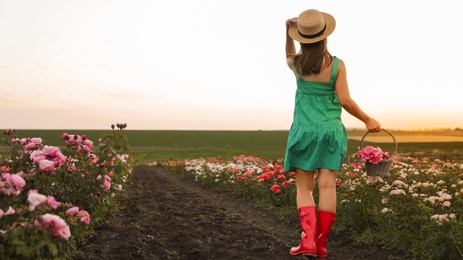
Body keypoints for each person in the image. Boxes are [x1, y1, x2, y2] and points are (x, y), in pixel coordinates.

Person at [284, 9, 382, 259]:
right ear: (325, 37)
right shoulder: (337, 65)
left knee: (304, 188)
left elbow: (288, 54)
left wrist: (287, 34)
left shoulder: (296, 64)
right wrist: (367, 119)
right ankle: (321, 244)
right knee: (328, 186)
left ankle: (307, 241)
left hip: (304, 132)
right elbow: (346, 101)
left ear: (303, 39)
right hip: (330, 132)